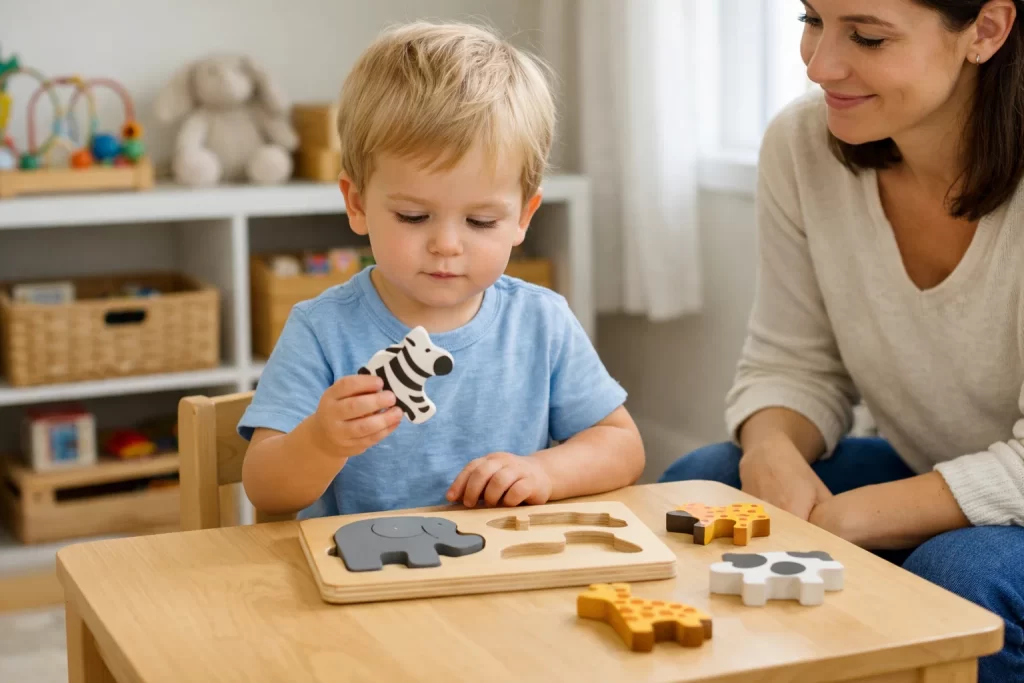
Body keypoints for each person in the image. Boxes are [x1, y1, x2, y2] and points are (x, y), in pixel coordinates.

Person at [659, 1, 1023, 679]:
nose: (820, 64)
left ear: (986, 30)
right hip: (936, 470)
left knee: (957, 579)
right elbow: (792, 360)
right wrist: (771, 448)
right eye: (810, 19)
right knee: (698, 486)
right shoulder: (803, 145)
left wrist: (844, 520)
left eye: (867, 35)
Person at [237, 22, 644, 520]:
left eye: (480, 220)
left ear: (523, 217)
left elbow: (622, 446)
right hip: (363, 579)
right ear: (358, 202)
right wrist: (321, 442)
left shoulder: (542, 320)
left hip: (501, 572)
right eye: (413, 216)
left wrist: (544, 472)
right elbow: (265, 488)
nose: (446, 245)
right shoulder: (321, 329)